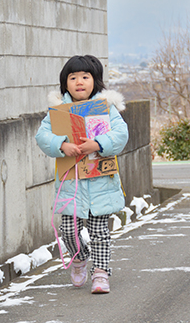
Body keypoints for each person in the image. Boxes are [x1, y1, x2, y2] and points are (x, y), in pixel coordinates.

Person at [35, 55, 129, 294]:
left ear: (95, 80)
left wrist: (97, 143)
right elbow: (42, 136)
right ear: (64, 83)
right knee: (68, 231)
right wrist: (61, 144)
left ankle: (101, 273)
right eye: (73, 77)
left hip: (100, 183)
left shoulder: (105, 107)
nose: (79, 82)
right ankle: (79, 257)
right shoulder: (58, 111)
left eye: (85, 77)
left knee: (99, 232)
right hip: (71, 184)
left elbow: (121, 134)